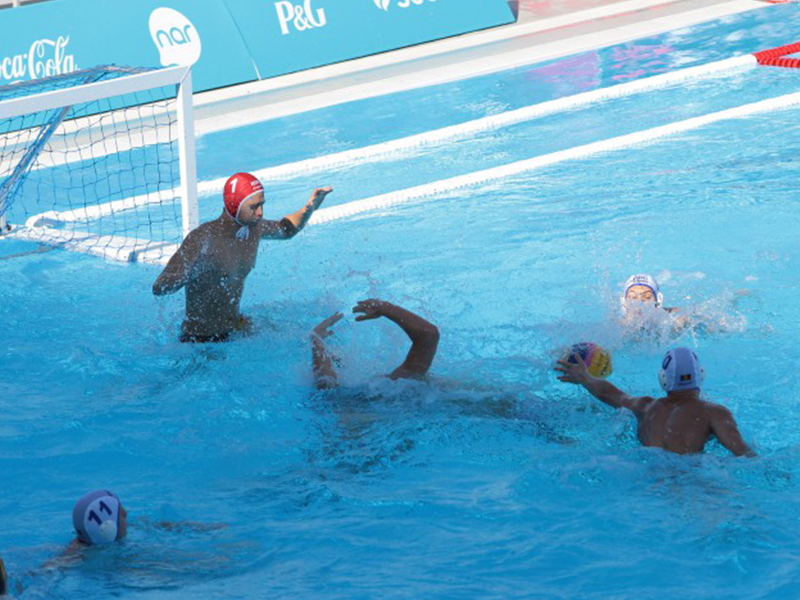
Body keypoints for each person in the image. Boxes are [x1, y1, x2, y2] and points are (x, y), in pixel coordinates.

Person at [153, 172, 333, 342]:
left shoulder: (254, 228)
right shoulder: (202, 238)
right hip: (201, 341)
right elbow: (159, 287)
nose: (260, 212)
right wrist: (187, 273)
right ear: (234, 205)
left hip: (236, 329)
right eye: (253, 207)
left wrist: (310, 207)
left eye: (262, 204)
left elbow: (286, 230)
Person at [555, 347, 754, 456]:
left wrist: (584, 377)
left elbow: (608, 393)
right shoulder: (715, 412)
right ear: (701, 376)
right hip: (690, 478)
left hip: (647, 474)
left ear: (663, 379)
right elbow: (743, 454)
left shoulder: (645, 406)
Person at [311, 299, 440, 389]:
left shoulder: (384, 392)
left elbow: (326, 384)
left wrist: (317, 341)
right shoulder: (395, 389)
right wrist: (385, 308)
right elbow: (429, 334)